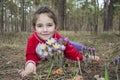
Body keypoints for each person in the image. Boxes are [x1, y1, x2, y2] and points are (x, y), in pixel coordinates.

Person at [20, 6, 99, 78]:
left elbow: (69, 51)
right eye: (40, 26)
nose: (45, 30)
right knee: (69, 43)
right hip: (49, 54)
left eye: (49, 25)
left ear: (56, 26)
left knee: (72, 45)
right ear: (34, 28)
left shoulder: (58, 38)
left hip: (64, 44)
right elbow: (30, 55)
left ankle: (85, 49)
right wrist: (30, 64)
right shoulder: (32, 40)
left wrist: (83, 58)